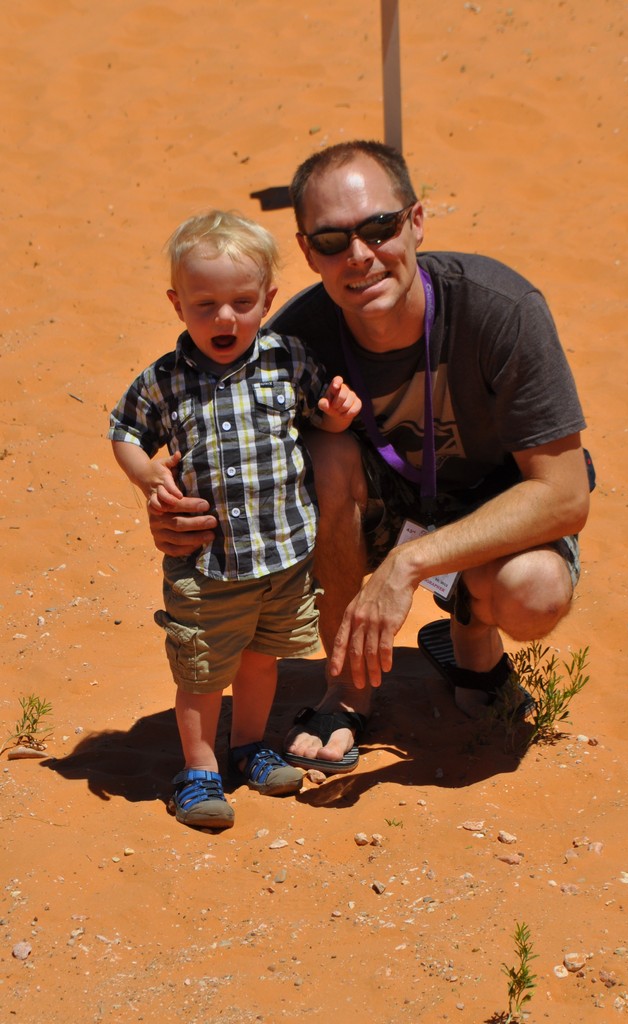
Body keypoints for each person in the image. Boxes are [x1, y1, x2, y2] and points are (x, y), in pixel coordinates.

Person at [146, 141, 591, 776]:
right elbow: (227, 461)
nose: (359, 255)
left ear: (416, 221)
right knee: (327, 451)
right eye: (332, 240)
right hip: (381, 506)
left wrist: (409, 565)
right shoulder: (291, 343)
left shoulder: (500, 310)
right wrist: (174, 515)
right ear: (308, 252)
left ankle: (470, 633)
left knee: (536, 591)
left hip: (496, 508)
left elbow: (565, 495)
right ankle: (348, 688)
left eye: (380, 227)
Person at [109, 209, 361, 827]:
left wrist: (336, 414)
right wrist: (146, 475)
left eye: (242, 303)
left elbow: (317, 417)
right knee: (202, 672)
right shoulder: (164, 381)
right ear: (178, 305)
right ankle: (198, 772)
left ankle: (249, 747)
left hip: (283, 559)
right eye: (205, 305)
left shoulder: (288, 359)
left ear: (267, 300)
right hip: (208, 565)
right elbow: (124, 430)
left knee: (260, 660)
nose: (225, 318)